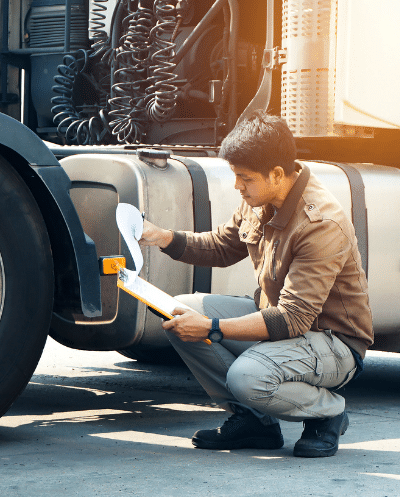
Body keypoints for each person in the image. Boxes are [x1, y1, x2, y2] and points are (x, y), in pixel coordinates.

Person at [139, 111, 373, 458]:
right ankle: (254, 422)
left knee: (247, 377)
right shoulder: (261, 200)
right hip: (282, 323)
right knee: (178, 312)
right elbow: (221, 245)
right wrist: (162, 237)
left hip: (333, 342)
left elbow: (292, 319)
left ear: (277, 174)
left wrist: (211, 328)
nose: (238, 186)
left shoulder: (321, 222)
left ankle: (329, 413)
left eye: (244, 178)